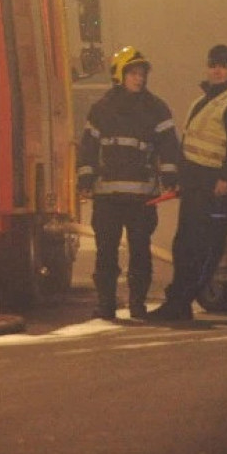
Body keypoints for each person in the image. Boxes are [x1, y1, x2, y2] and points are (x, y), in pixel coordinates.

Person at [147, 44, 227, 322]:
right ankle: (177, 302)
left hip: (216, 188)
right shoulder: (204, 101)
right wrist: (181, 179)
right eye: (213, 65)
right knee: (184, 244)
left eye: (223, 65)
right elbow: (189, 145)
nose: (217, 70)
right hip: (196, 186)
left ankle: (183, 300)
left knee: (204, 246)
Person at [77, 46, 179, 320]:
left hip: (141, 198)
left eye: (141, 73)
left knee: (140, 254)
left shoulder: (157, 109)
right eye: (133, 73)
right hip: (108, 197)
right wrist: (85, 177)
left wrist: (170, 177)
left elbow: (169, 147)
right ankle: (107, 304)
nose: (139, 78)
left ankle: (137, 304)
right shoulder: (101, 109)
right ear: (119, 75)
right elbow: (88, 147)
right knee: (106, 254)